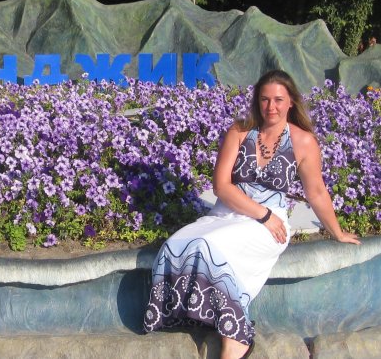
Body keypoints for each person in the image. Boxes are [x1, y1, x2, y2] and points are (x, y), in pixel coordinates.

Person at [142, 70, 360, 359]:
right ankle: (198, 318)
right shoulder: (240, 131)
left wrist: (337, 232)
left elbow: (317, 192)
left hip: (269, 226)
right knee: (176, 245)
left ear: (291, 101)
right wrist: (262, 213)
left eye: (278, 100)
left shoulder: (303, 142)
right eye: (265, 99)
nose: (271, 107)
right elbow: (221, 186)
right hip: (229, 214)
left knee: (207, 248)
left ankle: (236, 337)